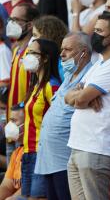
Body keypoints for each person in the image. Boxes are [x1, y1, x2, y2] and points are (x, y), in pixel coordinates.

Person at [65, 12, 110, 200]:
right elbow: (69, 95)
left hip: (97, 147)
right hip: (79, 145)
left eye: (99, 31)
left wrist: (82, 95)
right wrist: (82, 94)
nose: (94, 35)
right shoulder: (99, 64)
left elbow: (78, 99)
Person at [35, 32, 92, 200]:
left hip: (65, 158)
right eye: (61, 49)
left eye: (68, 49)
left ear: (83, 52)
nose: (62, 54)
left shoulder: (90, 76)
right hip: (49, 157)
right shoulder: (68, 76)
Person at [20, 37, 61, 200]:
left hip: (42, 152)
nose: (27, 56)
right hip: (28, 151)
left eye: (32, 53)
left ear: (45, 58)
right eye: (27, 52)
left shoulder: (52, 85)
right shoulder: (35, 85)